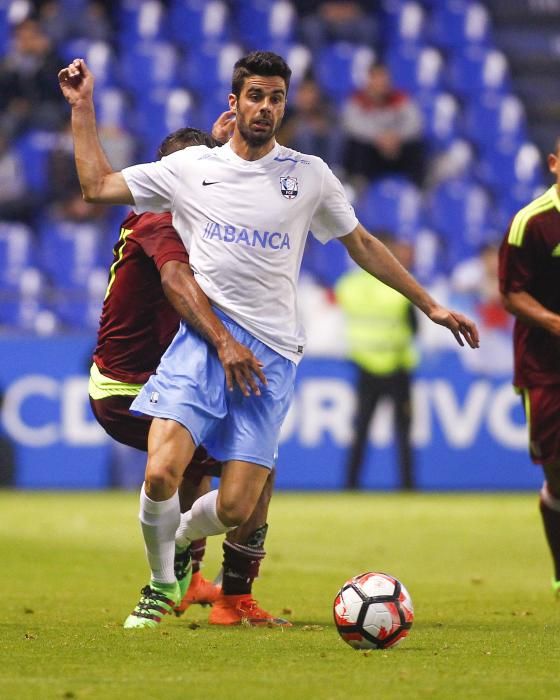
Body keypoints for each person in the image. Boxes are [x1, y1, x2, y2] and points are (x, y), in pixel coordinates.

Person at [58, 50, 479, 629]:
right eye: (255, 96)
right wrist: (83, 108)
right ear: (234, 104)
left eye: (276, 98)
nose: (266, 107)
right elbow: (97, 184)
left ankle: (178, 541)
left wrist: (430, 303)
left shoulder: (308, 175)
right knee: (161, 473)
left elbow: (361, 245)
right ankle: (160, 586)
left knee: (235, 507)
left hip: (270, 357)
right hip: (204, 344)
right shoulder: (192, 169)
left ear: (284, 105)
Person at [88, 123, 288, 626]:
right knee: (250, 472)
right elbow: (178, 280)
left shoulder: (192, 214)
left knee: (211, 465)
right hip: (129, 387)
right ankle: (220, 591)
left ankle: (188, 577)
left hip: (152, 375)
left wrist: (230, 145)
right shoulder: (160, 220)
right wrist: (225, 343)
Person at [498, 141, 560, 596]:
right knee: (557, 475)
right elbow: (511, 294)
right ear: (555, 165)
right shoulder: (532, 223)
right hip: (546, 368)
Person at [335, 234, 418, 491]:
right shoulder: (400, 288)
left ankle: (350, 486)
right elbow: (414, 329)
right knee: (403, 432)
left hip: (364, 365)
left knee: (360, 430)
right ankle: (407, 487)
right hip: (397, 366)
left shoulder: (347, 285)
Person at [341, 63, 425, 186]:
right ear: (369, 81)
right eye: (376, 79)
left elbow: (415, 123)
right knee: (355, 146)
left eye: (383, 80)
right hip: (372, 149)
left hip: (397, 148)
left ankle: (416, 188)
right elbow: (352, 124)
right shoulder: (357, 100)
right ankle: (359, 186)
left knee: (416, 145)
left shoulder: (401, 99)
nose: (380, 84)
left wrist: (396, 137)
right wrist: (378, 137)